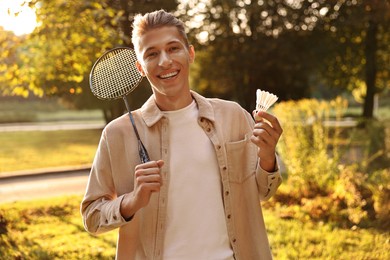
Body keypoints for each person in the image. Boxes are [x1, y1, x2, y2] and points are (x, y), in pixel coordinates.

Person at [81, 9, 283, 260]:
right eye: (152, 54)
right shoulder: (117, 134)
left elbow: (263, 192)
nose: (165, 61)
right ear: (140, 68)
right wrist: (132, 201)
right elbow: (92, 216)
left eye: (173, 48)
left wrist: (267, 157)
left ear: (190, 53)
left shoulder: (233, 116)